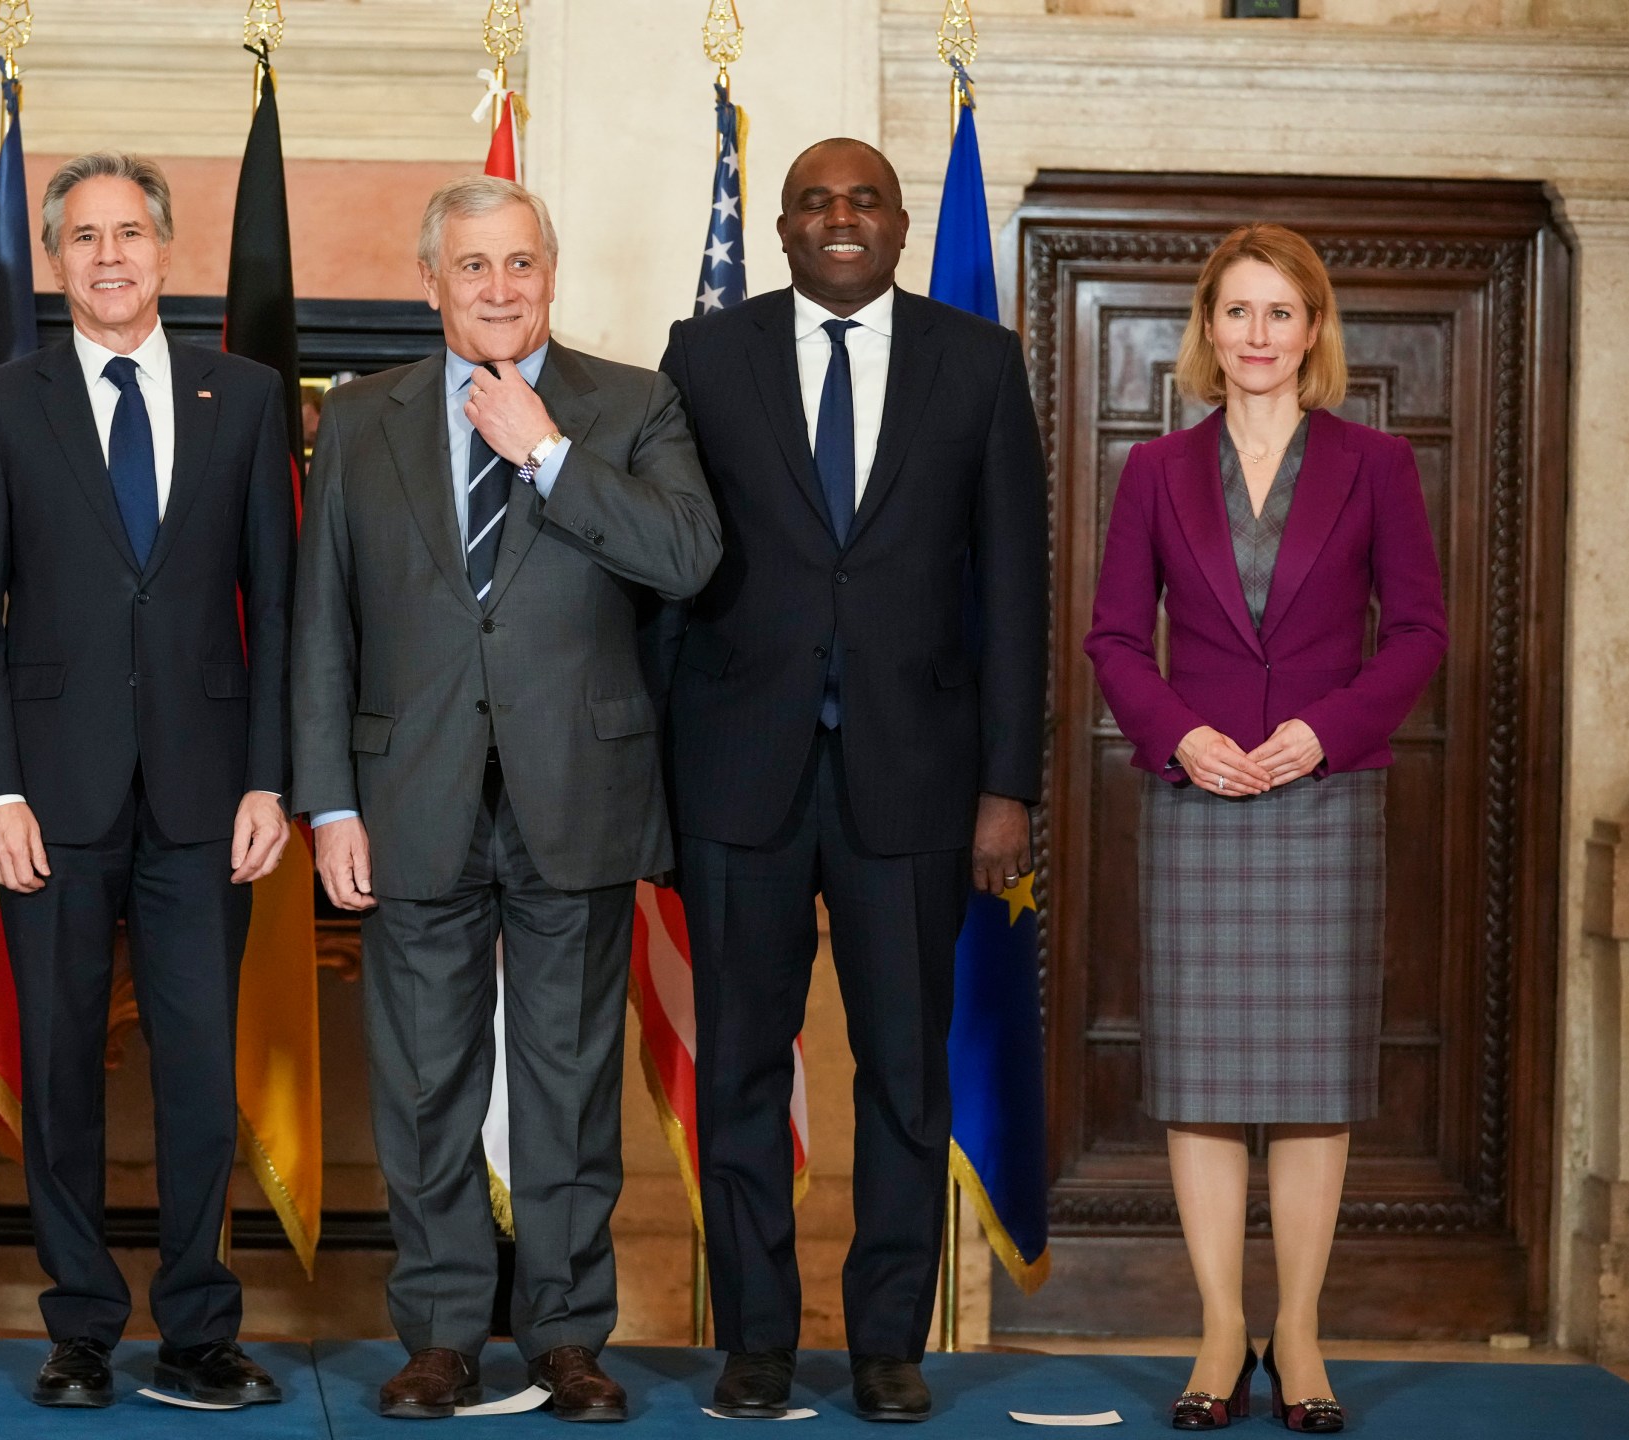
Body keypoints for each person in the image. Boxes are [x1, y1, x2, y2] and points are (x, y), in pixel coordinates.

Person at [293, 175, 719, 1424]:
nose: (498, 288)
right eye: (472, 267)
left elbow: (686, 559)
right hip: (403, 796)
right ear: (430, 281)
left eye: (519, 264)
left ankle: (566, 1337)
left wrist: (543, 452)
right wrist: (327, 803)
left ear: (550, 274)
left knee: (568, 1081)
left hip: (575, 794)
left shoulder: (630, 403)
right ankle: (437, 1336)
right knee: (423, 1083)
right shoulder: (358, 416)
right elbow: (323, 624)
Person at [655, 137, 1048, 1421]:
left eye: (862, 200)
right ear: (777, 229)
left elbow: (1012, 592)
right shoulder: (706, 356)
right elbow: (664, 582)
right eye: (814, 202)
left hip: (919, 789)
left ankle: (888, 1345)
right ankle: (756, 1343)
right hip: (734, 784)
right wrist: (655, 784)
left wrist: (1007, 789)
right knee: (742, 1078)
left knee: (903, 1077)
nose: (839, 218)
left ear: (896, 224)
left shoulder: (977, 363)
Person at [0, 151, 294, 1409]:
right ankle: (81, 1326)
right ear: (54, 260)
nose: (107, 255)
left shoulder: (244, 398)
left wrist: (271, 781)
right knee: (58, 1062)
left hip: (211, 801)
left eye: (129, 233)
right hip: (50, 797)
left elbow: (283, 606)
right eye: (82, 236)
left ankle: (199, 1329)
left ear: (165, 249)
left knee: (203, 1066)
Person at [1084, 224, 1444, 1434]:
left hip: (1322, 797)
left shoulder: (1376, 463)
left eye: (1279, 313)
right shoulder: (1152, 470)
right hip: (1196, 795)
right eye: (1236, 312)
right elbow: (1115, 641)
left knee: (1307, 1084)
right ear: (1207, 327)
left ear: (1313, 330)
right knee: (1199, 1081)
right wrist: (1177, 733)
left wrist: (1328, 731)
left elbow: (1419, 636)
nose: (1256, 335)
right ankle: (1218, 1329)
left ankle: (1295, 1333)